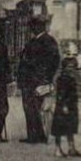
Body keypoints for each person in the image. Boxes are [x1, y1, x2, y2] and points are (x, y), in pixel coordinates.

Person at [17, 15, 60, 143]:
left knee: (36, 108)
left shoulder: (49, 41)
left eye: (34, 26)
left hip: (38, 81)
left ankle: (38, 136)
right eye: (32, 26)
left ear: (41, 26)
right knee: (29, 108)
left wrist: (45, 79)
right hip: (28, 81)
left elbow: (53, 63)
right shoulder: (33, 41)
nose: (32, 29)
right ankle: (33, 135)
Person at [51, 55, 81, 158]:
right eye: (69, 67)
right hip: (64, 106)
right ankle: (57, 149)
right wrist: (64, 105)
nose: (71, 69)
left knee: (70, 127)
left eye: (73, 67)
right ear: (64, 67)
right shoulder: (63, 79)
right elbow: (61, 94)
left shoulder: (71, 78)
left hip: (71, 105)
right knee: (59, 129)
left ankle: (71, 148)